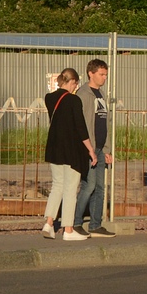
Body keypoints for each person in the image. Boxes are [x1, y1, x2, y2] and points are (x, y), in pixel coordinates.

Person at [42, 68, 96, 241]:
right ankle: (68, 229)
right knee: (70, 189)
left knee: (57, 186)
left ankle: (48, 223)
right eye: (76, 84)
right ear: (72, 82)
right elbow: (80, 127)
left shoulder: (49, 98)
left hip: (54, 147)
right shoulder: (74, 100)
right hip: (71, 149)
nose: (76, 87)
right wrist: (90, 149)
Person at [74, 58, 115, 237]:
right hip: (88, 148)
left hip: (100, 148)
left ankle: (95, 224)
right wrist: (89, 148)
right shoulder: (83, 94)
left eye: (106, 74)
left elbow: (105, 123)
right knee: (88, 185)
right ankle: (75, 222)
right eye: (101, 74)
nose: (104, 78)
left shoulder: (101, 94)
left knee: (100, 188)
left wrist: (106, 149)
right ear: (91, 74)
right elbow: (82, 124)